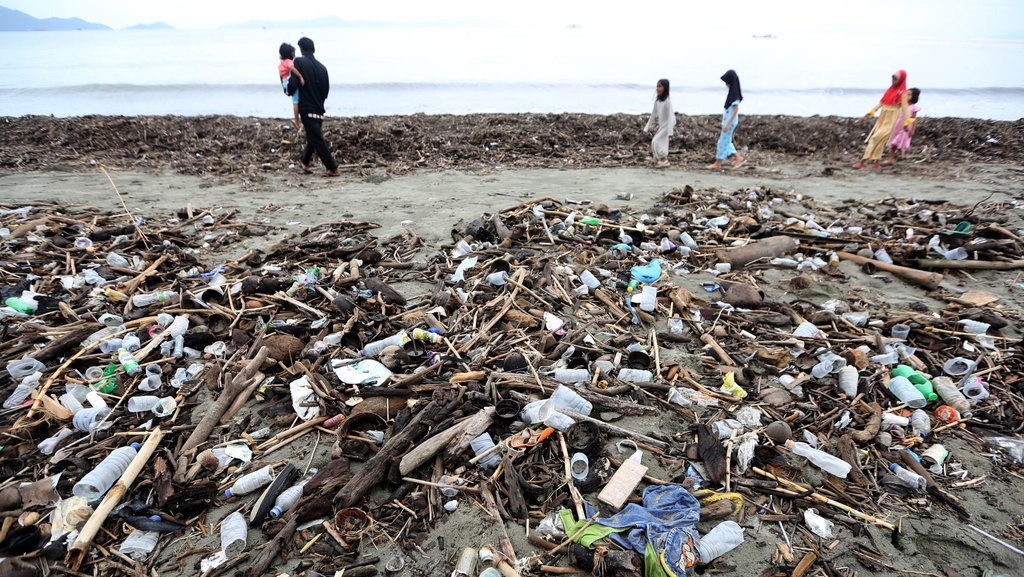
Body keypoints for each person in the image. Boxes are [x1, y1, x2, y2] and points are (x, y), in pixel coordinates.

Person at [287, 37, 340, 177]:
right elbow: (325, 91)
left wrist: (288, 90)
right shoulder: (323, 68)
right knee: (313, 136)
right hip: (319, 108)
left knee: (317, 139)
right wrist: (318, 101)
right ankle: (304, 162)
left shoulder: (299, 62)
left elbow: (293, 85)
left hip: (307, 108)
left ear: (301, 49)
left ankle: (333, 168)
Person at [853, 70, 912, 170]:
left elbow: (905, 109)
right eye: (892, 78)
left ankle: (862, 162)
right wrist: (865, 116)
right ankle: (877, 164)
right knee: (879, 141)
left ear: (901, 80)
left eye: (896, 79)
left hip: (892, 120)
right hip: (882, 119)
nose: (893, 80)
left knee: (875, 138)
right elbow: (880, 104)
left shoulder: (903, 94)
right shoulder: (890, 90)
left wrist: (906, 123)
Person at [706, 69, 745, 171]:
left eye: (726, 82)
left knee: (722, 142)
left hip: (730, 123)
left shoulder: (734, 95)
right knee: (726, 142)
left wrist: (728, 123)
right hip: (728, 122)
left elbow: (736, 109)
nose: (725, 84)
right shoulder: (732, 94)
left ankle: (718, 163)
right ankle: (737, 158)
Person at [643, 79, 675, 168]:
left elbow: (670, 116)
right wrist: (647, 127)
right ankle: (660, 159)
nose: (658, 88)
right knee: (658, 142)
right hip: (662, 124)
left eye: (660, 86)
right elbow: (653, 114)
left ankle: (664, 160)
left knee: (656, 141)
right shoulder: (657, 100)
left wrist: (670, 132)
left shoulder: (667, 101)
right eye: (657, 86)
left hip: (669, 124)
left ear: (665, 88)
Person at [885, 87, 921, 165]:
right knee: (894, 141)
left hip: (906, 126)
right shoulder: (901, 104)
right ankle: (895, 157)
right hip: (898, 124)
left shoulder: (914, 107)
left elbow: (913, 119)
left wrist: (912, 130)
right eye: (906, 94)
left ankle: (894, 157)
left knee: (898, 141)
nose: (906, 96)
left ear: (914, 96)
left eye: (909, 95)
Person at [278, 43, 304, 131]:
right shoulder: (289, 62)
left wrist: (284, 86)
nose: (295, 54)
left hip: (285, 83)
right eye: (293, 52)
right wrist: (300, 77)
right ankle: (296, 121)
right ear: (289, 53)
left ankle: (297, 121)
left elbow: (281, 76)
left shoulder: (282, 63)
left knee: (294, 101)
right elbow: (293, 69)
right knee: (296, 102)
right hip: (290, 82)